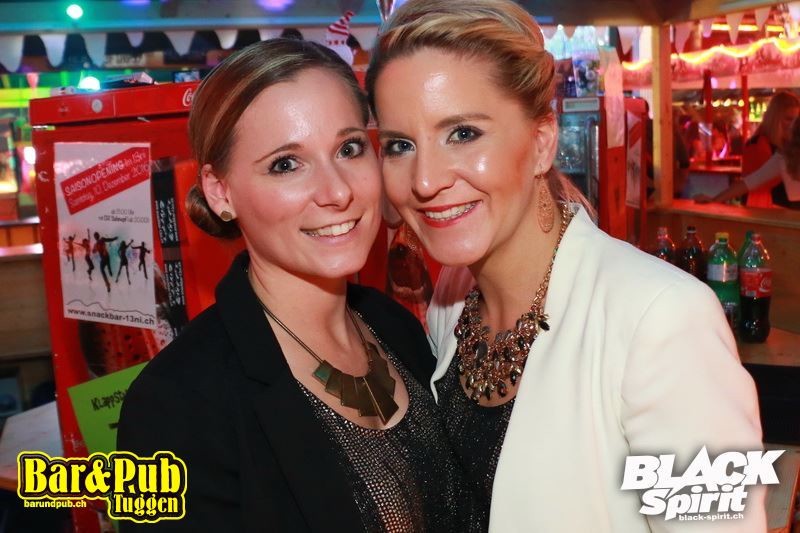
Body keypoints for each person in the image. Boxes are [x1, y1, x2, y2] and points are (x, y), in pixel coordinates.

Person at [366, 0, 765, 531]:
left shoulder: (665, 319)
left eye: (462, 134)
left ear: (542, 141)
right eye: (400, 145)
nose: (424, 180)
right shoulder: (455, 295)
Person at [117, 38, 475, 532]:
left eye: (349, 149)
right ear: (221, 192)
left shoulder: (394, 325)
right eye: (286, 164)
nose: (338, 191)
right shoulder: (175, 404)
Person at [696, 111, 800, 209]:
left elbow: (748, 183)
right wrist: (714, 200)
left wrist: (714, 200)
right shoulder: (784, 157)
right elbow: (748, 183)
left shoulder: (785, 156)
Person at [741, 91, 799, 207]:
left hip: (784, 207)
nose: (793, 124)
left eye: (796, 120)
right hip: (767, 207)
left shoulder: (788, 144)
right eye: (788, 119)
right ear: (775, 118)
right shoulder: (758, 143)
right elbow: (755, 181)